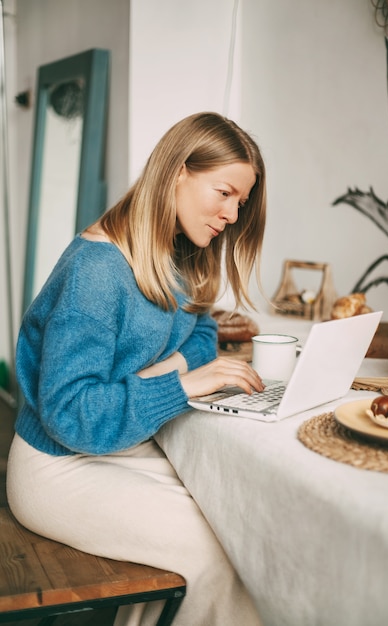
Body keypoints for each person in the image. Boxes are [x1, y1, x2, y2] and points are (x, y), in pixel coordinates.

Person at [7, 112, 266, 625]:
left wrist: (158, 373)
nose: (233, 215)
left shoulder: (176, 253)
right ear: (177, 173)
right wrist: (180, 383)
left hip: (120, 445)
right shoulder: (97, 271)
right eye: (224, 193)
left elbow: (203, 332)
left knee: (241, 525)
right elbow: (72, 414)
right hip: (58, 464)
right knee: (219, 557)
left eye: (241, 201)